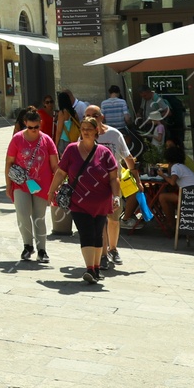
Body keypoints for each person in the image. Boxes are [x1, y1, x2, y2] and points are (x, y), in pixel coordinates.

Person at [49, 115, 122, 285]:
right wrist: (52, 190)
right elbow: (61, 172)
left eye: (89, 129)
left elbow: (113, 177)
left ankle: (96, 268)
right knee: (86, 233)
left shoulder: (105, 153)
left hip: (102, 202)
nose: (85, 132)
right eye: (83, 129)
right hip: (78, 202)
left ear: (97, 131)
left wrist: (116, 196)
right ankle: (90, 269)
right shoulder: (71, 149)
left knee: (98, 235)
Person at [5, 106, 58, 263]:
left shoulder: (47, 140)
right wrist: (8, 185)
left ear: (40, 124)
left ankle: (42, 250)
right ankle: (28, 246)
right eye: (30, 127)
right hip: (21, 183)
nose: (33, 130)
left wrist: (57, 184)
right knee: (22, 213)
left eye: (36, 127)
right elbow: (9, 162)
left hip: (41, 185)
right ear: (25, 124)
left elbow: (55, 165)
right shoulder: (17, 139)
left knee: (39, 217)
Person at [85, 105, 132, 267]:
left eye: (94, 115)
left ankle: (113, 249)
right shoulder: (84, 136)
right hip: (94, 186)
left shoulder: (114, 134)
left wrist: (137, 179)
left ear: (101, 117)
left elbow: (127, 157)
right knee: (100, 221)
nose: (90, 118)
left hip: (114, 184)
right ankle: (103, 254)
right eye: (87, 115)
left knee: (113, 219)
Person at [155, 140, 194, 232]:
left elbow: (172, 182)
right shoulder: (181, 166)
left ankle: (170, 223)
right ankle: (171, 222)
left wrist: (162, 175)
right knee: (169, 196)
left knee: (162, 197)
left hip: (191, 194)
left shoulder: (176, 167)